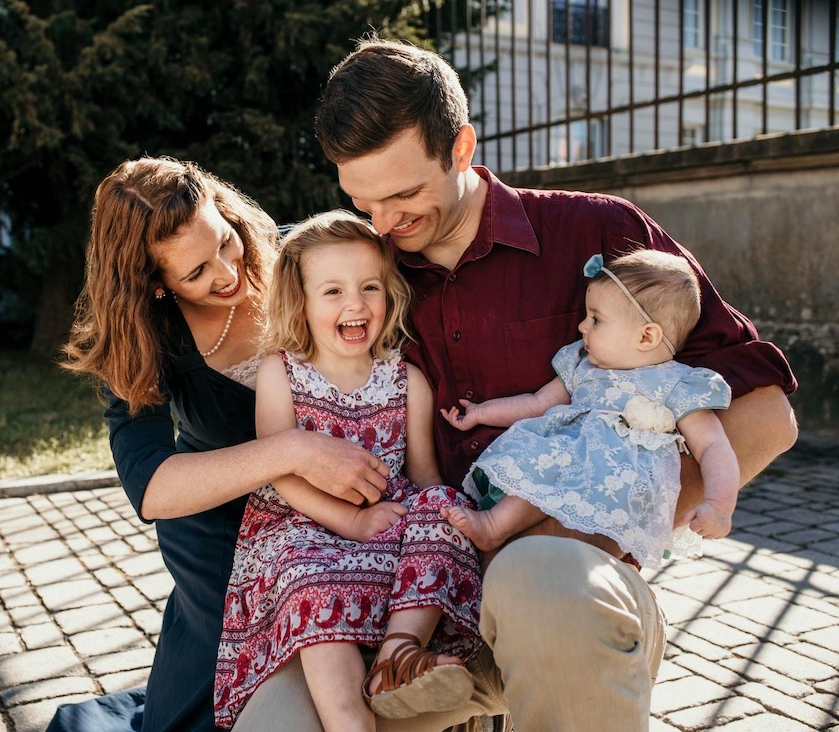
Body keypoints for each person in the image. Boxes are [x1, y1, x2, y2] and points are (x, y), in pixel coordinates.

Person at [234, 37, 797, 732]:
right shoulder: (364, 281)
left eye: (406, 193)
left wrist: (585, 528)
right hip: (392, 592)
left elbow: (766, 417)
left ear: (462, 147)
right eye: (362, 200)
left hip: (555, 594)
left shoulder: (600, 235)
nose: (384, 225)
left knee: (541, 584)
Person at [48, 156, 391, 732]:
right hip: (222, 522)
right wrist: (294, 451)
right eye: (196, 273)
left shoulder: (298, 257)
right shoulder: (145, 337)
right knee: (208, 709)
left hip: (348, 491)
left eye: (225, 241)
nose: (229, 272)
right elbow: (152, 488)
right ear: (155, 286)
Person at [214, 211, 482, 731]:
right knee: (307, 571)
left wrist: (445, 521)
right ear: (303, 302)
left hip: (385, 520)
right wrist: (350, 523)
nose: (355, 303)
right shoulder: (283, 372)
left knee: (442, 511)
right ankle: (348, 721)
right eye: (333, 291)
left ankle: (395, 659)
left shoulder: (408, 380)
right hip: (303, 524)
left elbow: (423, 477)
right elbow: (281, 473)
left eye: (369, 287)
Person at [441, 249, 739, 568]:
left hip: (622, 482)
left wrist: (719, 506)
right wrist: (480, 413)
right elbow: (537, 403)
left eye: (595, 319)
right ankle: (494, 526)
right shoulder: (582, 365)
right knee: (542, 474)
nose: (582, 327)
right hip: (567, 460)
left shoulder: (676, 383)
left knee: (595, 544)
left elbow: (712, 445)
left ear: (647, 335)